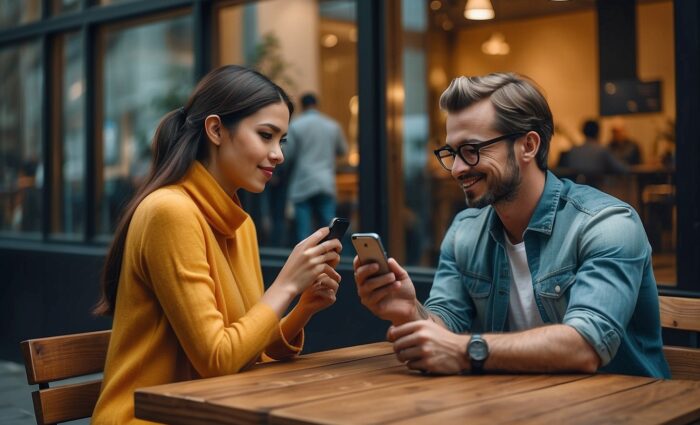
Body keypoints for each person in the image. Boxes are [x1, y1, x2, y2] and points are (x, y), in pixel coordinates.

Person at [353, 73, 669, 378]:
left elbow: (585, 345)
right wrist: (408, 309)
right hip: (520, 407)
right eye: (452, 153)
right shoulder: (465, 231)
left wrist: (467, 352)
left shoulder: (607, 224)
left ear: (528, 146)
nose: (458, 169)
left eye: (472, 151)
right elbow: (445, 331)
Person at [92, 65, 343, 424]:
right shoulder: (170, 211)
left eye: (281, 140)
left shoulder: (240, 225)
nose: (278, 154)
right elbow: (217, 359)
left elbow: (247, 350)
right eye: (266, 135)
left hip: (216, 409)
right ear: (215, 130)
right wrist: (286, 284)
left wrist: (302, 305)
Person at [285, 93, 348, 243]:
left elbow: (288, 154)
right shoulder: (332, 125)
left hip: (303, 182)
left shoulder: (295, 125)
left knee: (304, 233)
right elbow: (343, 150)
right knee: (330, 229)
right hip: (325, 181)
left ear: (302, 106)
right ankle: (333, 258)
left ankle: (307, 262)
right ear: (317, 104)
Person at [560, 119, 628, 188]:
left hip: (575, 190)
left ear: (583, 132)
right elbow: (622, 169)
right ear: (598, 132)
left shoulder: (573, 150)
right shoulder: (602, 150)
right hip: (596, 191)